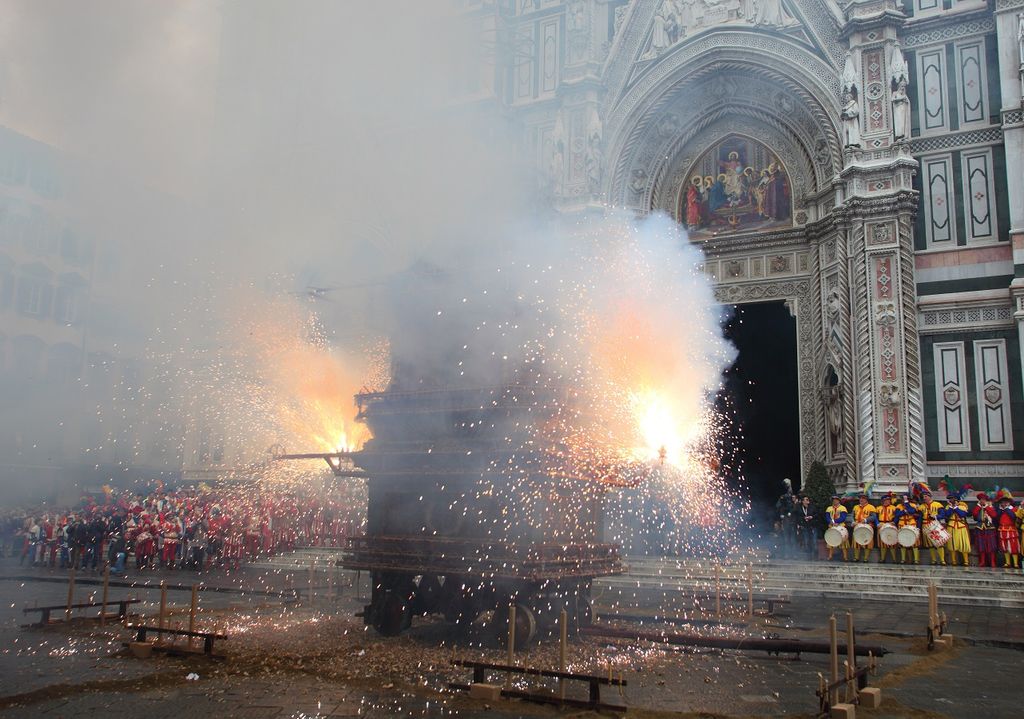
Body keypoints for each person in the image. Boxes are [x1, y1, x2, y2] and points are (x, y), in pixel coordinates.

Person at [939, 490, 971, 566]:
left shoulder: (963, 506)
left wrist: (956, 507)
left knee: (963, 544)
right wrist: (951, 507)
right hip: (951, 526)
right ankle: (953, 560)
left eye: (952, 499)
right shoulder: (948, 507)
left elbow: (962, 514)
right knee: (952, 544)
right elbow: (947, 515)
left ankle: (966, 561)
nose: (950, 500)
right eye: (949, 499)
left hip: (961, 526)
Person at [917, 490, 946, 566]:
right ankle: (933, 560)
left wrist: (936, 516)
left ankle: (942, 560)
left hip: (934, 524)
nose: (924, 498)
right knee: (929, 544)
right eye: (923, 497)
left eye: (926, 496)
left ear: (930, 496)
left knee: (939, 542)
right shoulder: (921, 507)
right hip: (925, 525)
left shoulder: (938, 504)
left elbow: (943, 514)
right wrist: (918, 527)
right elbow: (920, 518)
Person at [994, 490, 1020, 569]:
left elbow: (1013, 517)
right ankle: (1007, 562)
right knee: (1004, 547)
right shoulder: (1000, 510)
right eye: (1003, 502)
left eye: (1006, 502)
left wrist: (1006, 509)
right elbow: (996, 518)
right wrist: (1001, 510)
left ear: (1009, 502)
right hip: (1002, 530)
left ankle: (1015, 563)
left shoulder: (1013, 509)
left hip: (1011, 530)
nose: (1004, 503)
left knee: (1013, 546)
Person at [972, 492, 998, 569]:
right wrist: (979, 506)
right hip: (980, 528)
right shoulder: (977, 507)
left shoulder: (990, 507)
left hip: (989, 528)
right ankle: (982, 561)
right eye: (981, 499)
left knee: (991, 545)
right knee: (981, 545)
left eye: (983, 499)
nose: (982, 501)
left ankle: (992, 561)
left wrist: (986, 507)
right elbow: (974, 516)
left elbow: (994, 515)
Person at [894, 494, 921, 565]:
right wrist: (904, 512)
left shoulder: (913, 505)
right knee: (902, 542)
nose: (903, 500)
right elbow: (897, 514)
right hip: (901, 524)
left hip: (911, 524)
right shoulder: (898, 506)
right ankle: (903, 559)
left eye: (905, 499)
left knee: (915, 542)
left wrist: (907, 504)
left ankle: (916, 559)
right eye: (903, 499)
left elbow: (911, 511)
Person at [851, 494, 877, 563]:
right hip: (857, 525)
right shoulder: (855, 507)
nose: (861, 499)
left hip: (867, 526)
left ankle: (866, 558)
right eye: (860, 498)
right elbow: (852, 516)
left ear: (866, 499)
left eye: (863, 498)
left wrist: (865, 520)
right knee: (856, 542)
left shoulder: (871, 507)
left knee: (867, 541)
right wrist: (853, 522)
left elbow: (874, 517)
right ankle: (856, 557)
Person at [825, 495, 849, 561]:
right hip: (832, 526)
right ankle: (830, 556)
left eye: (836, 499)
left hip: (840, 526)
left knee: (843, 542)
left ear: (839, 500)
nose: (834, 501)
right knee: (830, 541)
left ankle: (845, 557)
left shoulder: (843, 508)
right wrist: (831, 522)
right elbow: (827, 517)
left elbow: (843, 517)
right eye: (833, 500)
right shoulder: (829, 508)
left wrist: (835, 522)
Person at [875, 493, 897, 564]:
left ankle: (894, 559)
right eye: (886, 500)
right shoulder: (878, 508)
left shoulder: (893, 508)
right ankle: (882, 558)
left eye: (889, 500)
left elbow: (896, 516)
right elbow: (875, 517)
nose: (888, 501)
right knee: (882, 542)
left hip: (890, 524)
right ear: (882, 501)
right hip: (881, 525)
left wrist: (894, 522)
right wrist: (877, 523)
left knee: (892, 541)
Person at [796, 494, 817, 559]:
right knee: (806, 541)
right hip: (805, 526)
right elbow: (798, 517)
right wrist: (803, 518)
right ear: (803, 501)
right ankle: (809, 556)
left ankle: (815, 556)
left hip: (812, 526)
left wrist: (811, 517)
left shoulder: (812, 507)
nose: (807, 501)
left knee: (814, 541)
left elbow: (817, 514)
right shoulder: (800, 508)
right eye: (806, 500)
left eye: (808, 500)